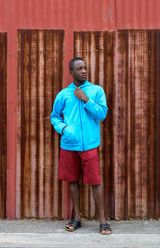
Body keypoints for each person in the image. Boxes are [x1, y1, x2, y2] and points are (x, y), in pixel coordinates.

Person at [50, 57, 112, 235]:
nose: (84, 71)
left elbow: (102, 114)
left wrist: (86, 100)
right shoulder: (63, 94)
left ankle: (103, 221)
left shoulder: (96, 90)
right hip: (69, 144)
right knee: (72, 181)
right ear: (71, 72)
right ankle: (77, 218)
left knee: (95, 182)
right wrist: (63, 129)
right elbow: (54, 116)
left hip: (90, 145)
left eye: (85, 68)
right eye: (79, 68)